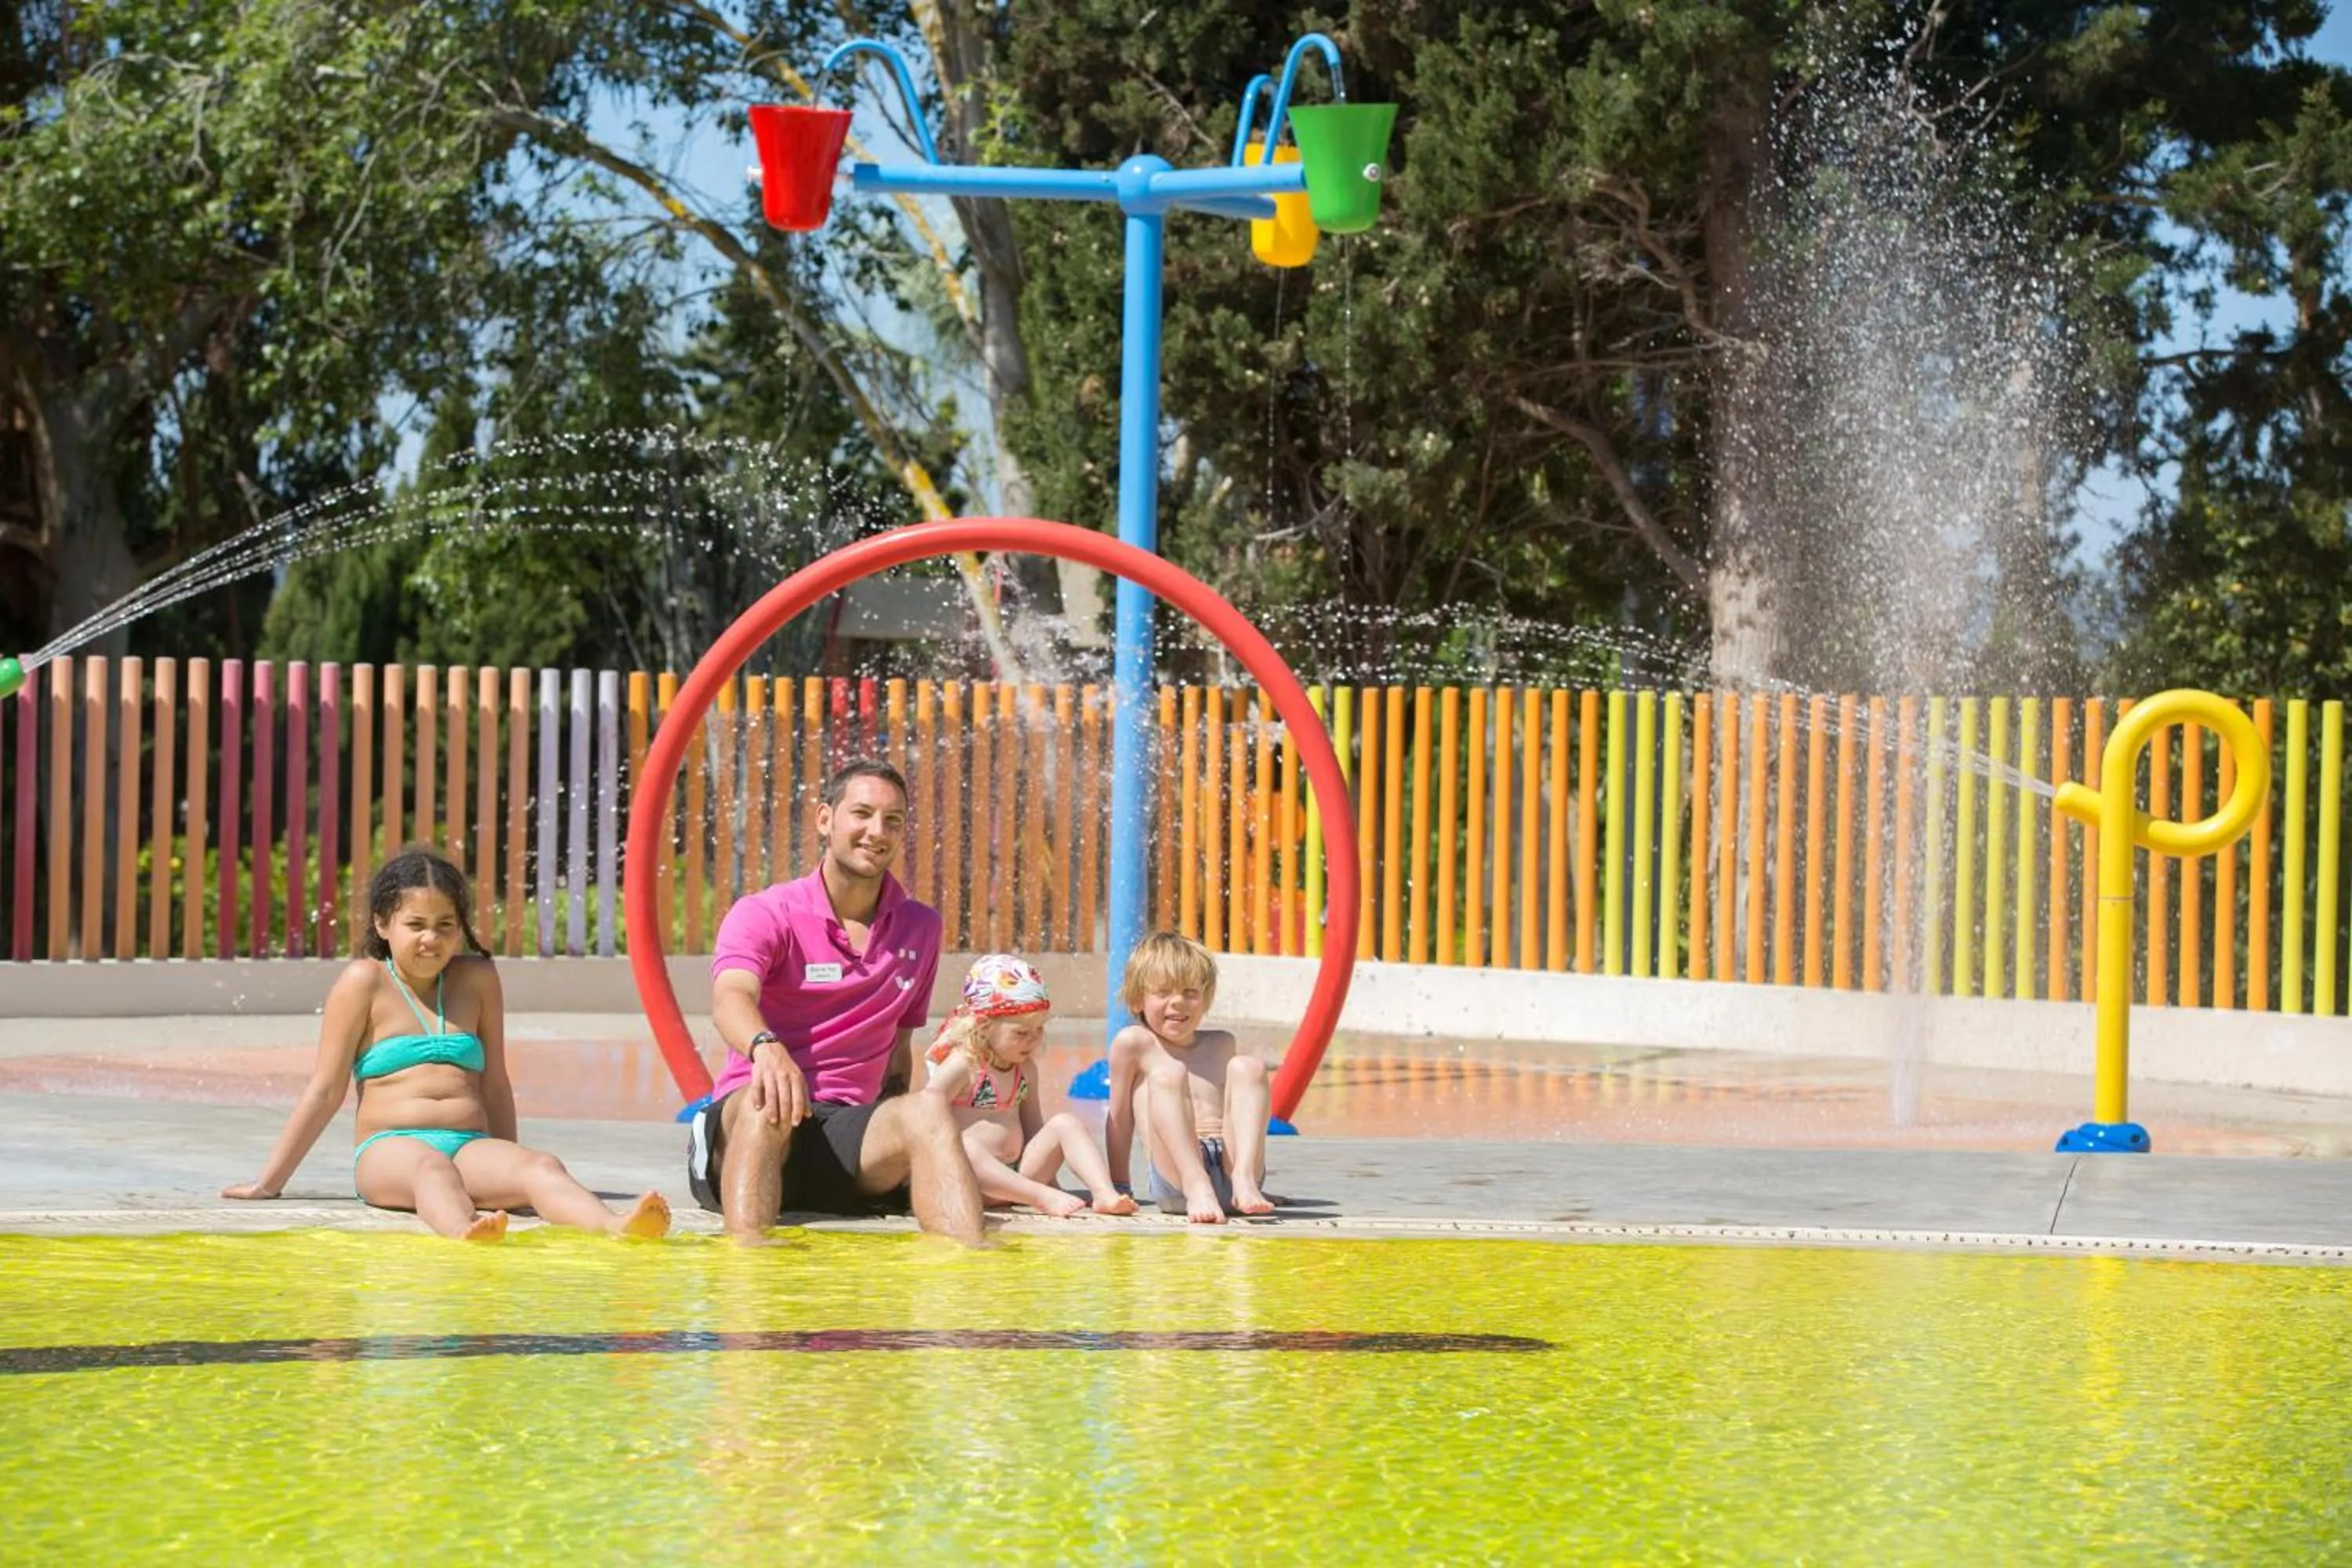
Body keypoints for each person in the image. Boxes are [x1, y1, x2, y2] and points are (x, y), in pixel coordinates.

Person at [223, 847, 671, 1242]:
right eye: (415, 924)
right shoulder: (364, 983)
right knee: (431, 1170)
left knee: (542, 1167)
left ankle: (614, 1226)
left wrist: (510, 1170)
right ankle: (463, 1230)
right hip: (389, 1151)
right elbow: (324, 1090)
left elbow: (495, 1083)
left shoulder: (476, 979)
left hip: (468, 1143)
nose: (430, 939)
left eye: (445, 926)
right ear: (383, 924)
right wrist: (270, 1181)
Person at [687, 758, 985, 1243]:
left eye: (892, 820)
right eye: (862, 814)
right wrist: (767, 1047)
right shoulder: (766, 912)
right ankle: (744, 1271)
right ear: (826, 819)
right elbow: (730, 998)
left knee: (929, 1110)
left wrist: (901, 1134)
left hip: (846, 1132)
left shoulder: (921, 927)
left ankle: (975, 1284)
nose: (876, 831)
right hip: (754, 1124)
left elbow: (898, 1048)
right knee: (771, 1101)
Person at [924, 953, 1138, 1218]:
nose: (1033, 1040)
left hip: (1018, 1176)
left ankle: (1104, 1193)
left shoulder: (1024, 1070)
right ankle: (1040, 1196)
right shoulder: (964, 1065)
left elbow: (1035, 1128)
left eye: (1039, 1030)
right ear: (983, 1027)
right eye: (1021, 1033)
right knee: (965, 1146)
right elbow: (926, 1107)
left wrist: (1048, 1174)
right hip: (968, 1179)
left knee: (1064, 1124)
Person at [1106, 931, 1277, 1224]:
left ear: (1205, 998)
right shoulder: (1134, 1043)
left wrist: (1243, 1172)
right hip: (1178, 1179)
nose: (1178, 1003)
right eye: (1163, 993)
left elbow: (1239, 1114)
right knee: (1168, 1075)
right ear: (1137, 1001)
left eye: (1190, 993)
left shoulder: (1221, 1043)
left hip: (1231, 1172)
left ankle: (1246, 1179)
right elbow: (1120, 1120)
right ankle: (1198, 1184)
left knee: (1249, 1067)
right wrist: (1119, 1187)